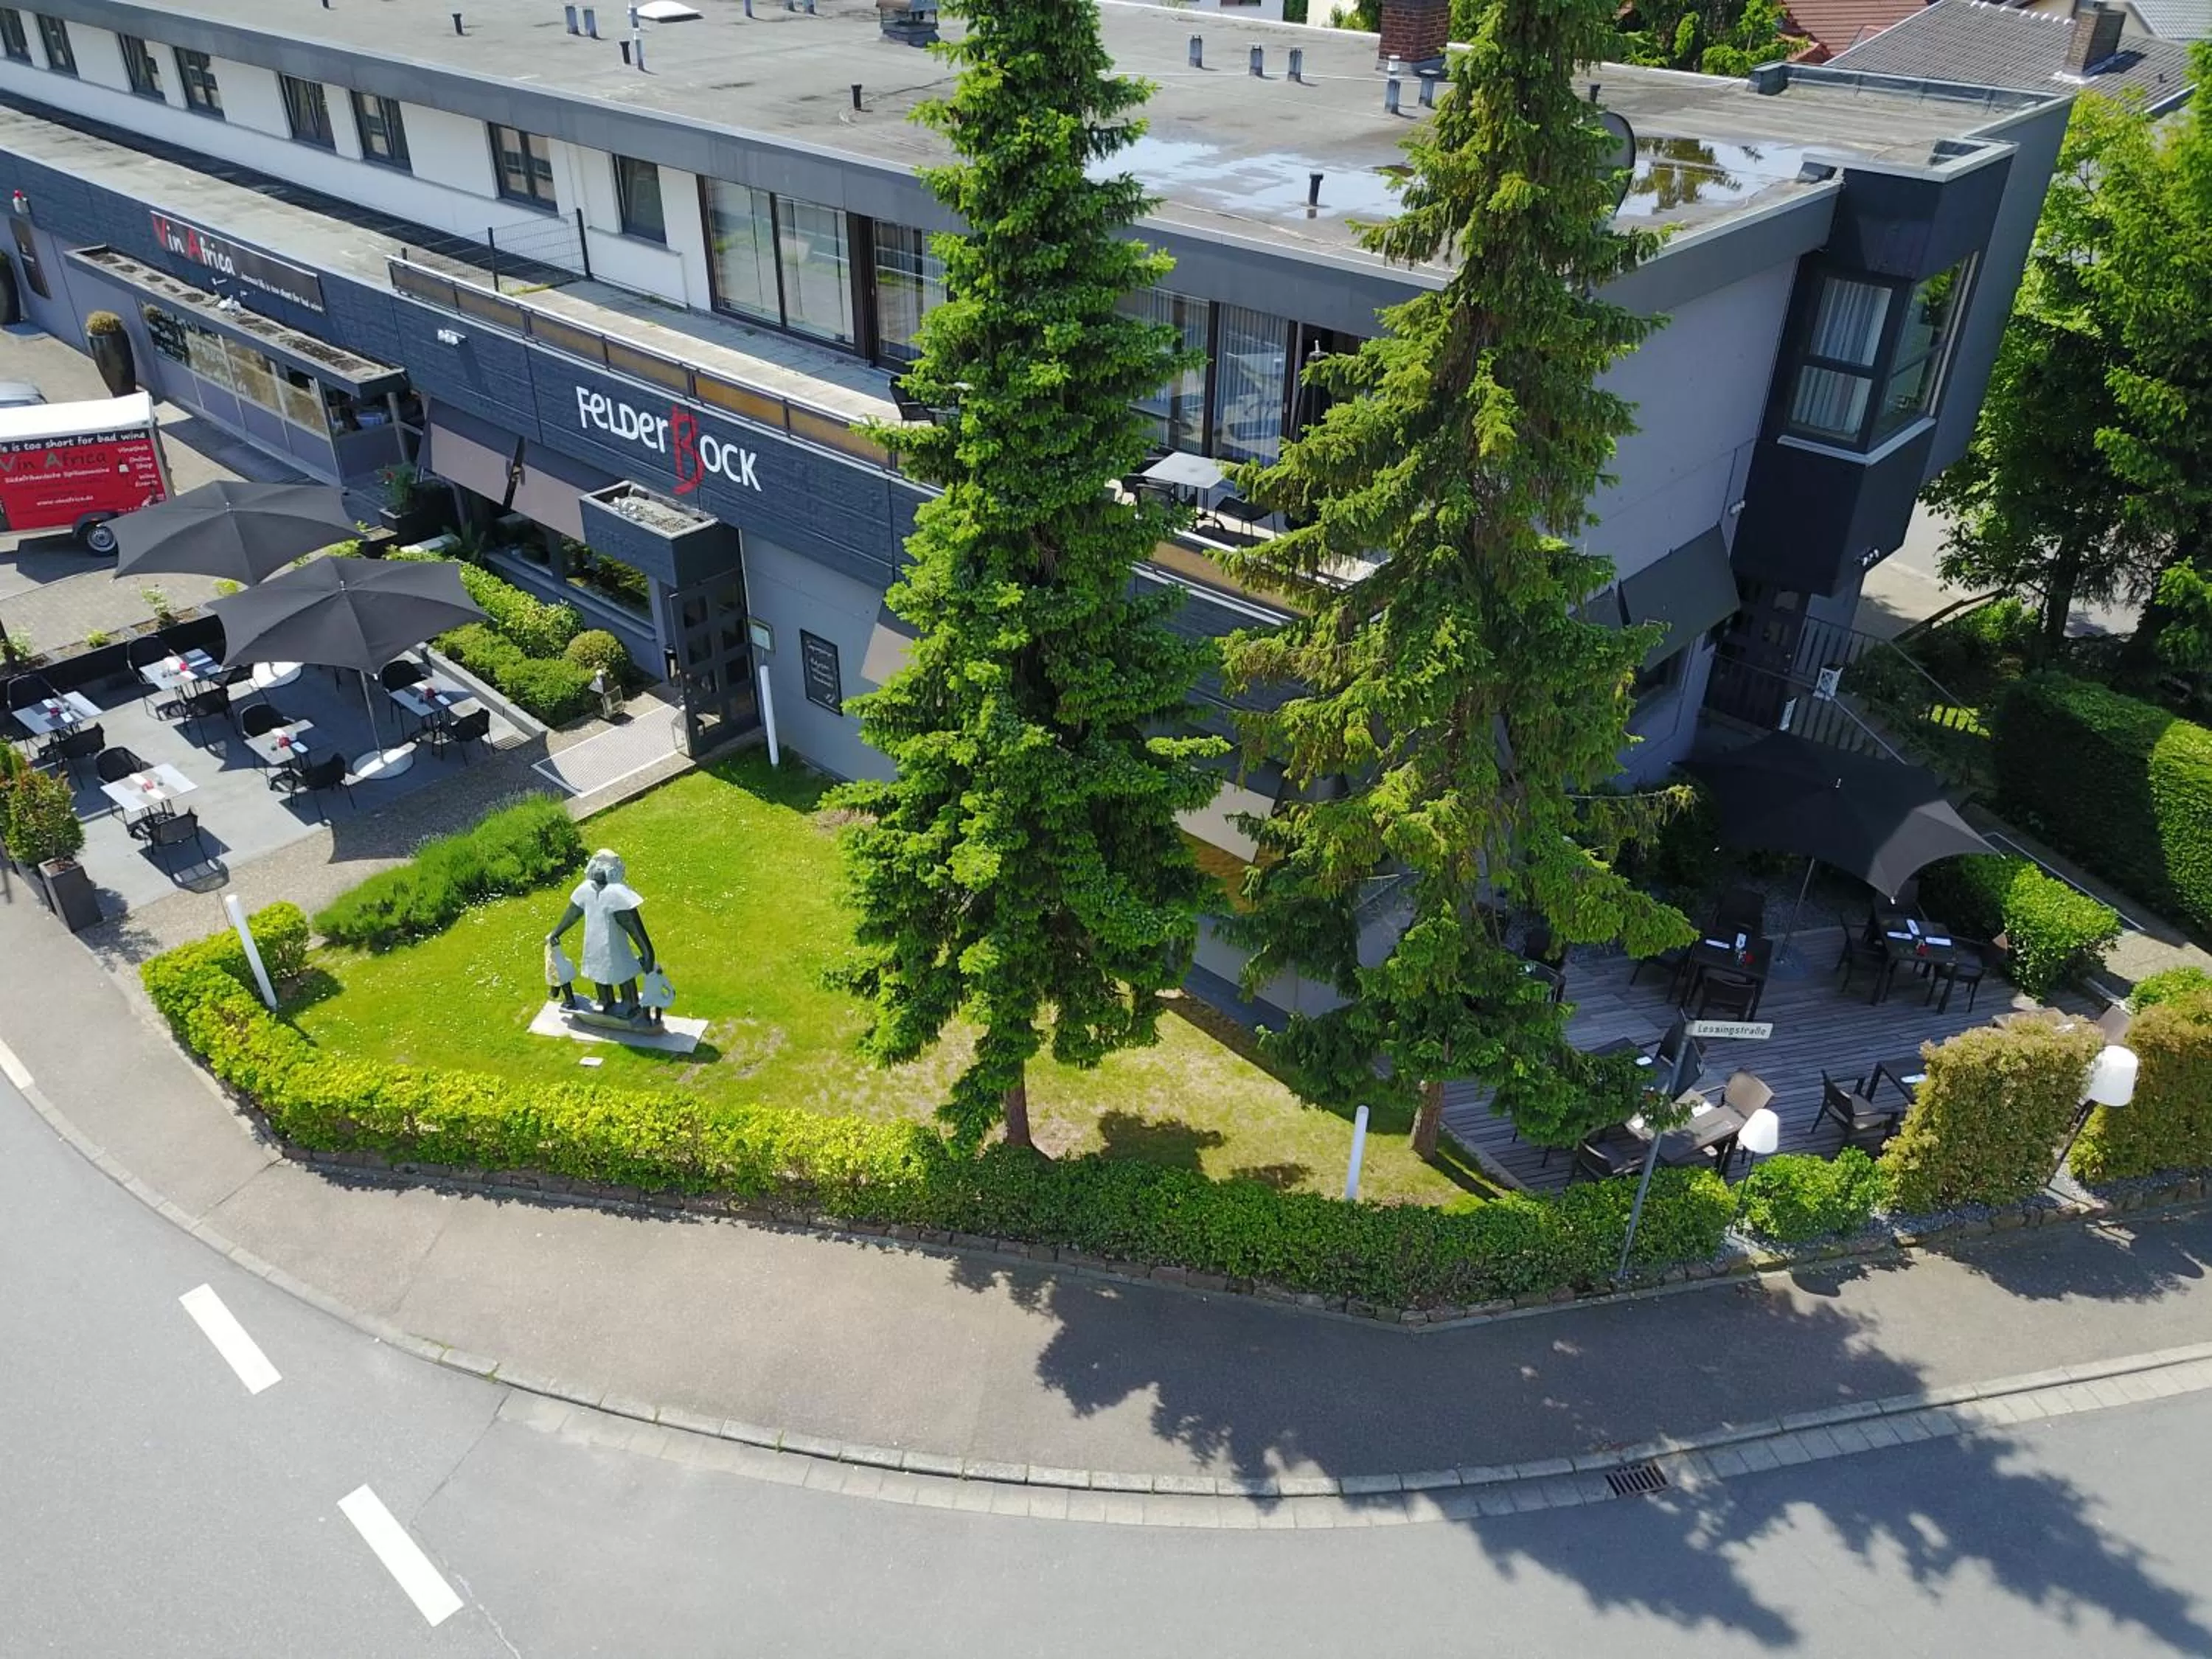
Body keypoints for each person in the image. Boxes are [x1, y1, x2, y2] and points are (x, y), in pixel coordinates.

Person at [546, 848, 658, 1023]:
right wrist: (557, 932)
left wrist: (647, 952)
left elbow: (633, 926)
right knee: (598, 968)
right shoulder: (585, 890)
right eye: (597, 863)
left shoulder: (618, 895)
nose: (599, 868)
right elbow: (573, 914)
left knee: (623, 970)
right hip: (594, 940)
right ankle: (605, 999)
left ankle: (630, 1002)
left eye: (605, 864)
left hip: (615, 943)